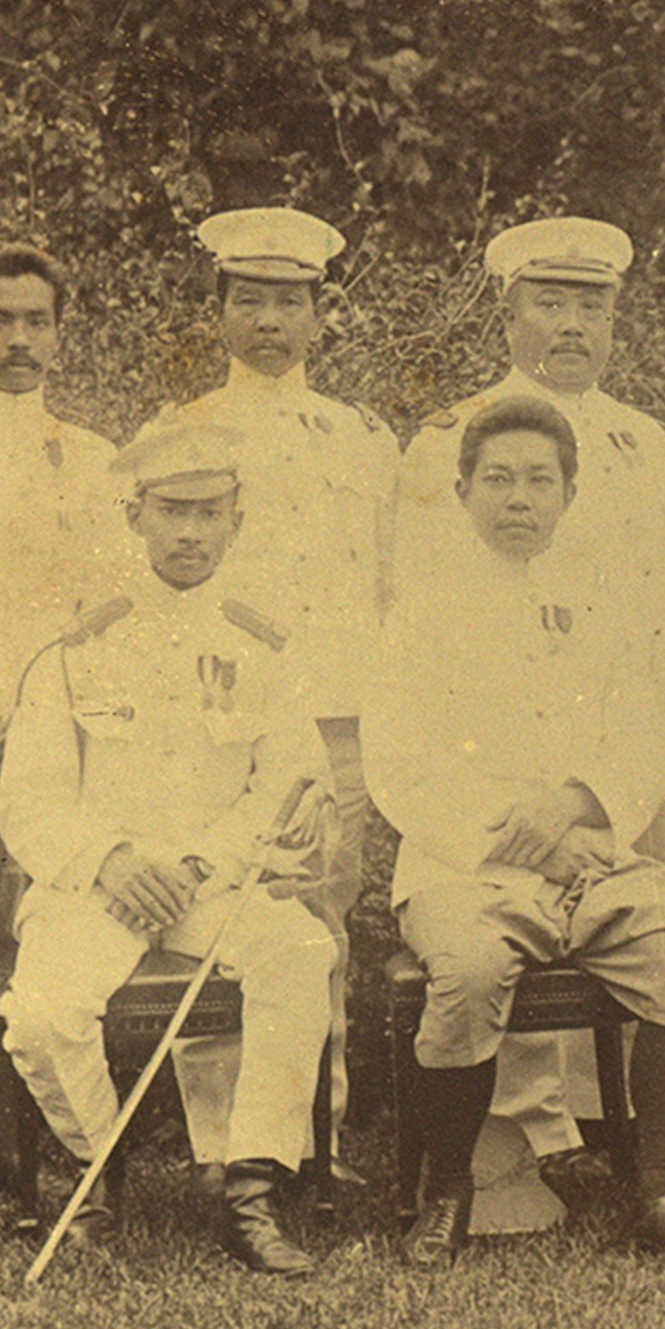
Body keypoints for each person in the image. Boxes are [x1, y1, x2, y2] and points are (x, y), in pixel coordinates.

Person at [359, 389, 665, 1269]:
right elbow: (400, 764)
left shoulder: (606, 606)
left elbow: (644, 737)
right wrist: (521, 836)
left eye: (538, 481)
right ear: (462, 492)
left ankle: (660, 1193)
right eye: (498, 480)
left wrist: (575, 803)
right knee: (469, 972)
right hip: (464, 865)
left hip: (593, 852)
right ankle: (450, 1193)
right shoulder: (421, 613)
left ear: (568, 493)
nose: (518, 499)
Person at [0, 421, 347, 1278]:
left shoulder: (263, 647)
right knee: (40, 1013)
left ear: (236, 521)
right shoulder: (77, 647)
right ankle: (97, 1172)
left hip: (213, 884)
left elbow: (287, 784)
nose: (191, 532)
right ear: (135, 516)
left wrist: (198, 867)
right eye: (172, 511)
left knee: (301, 952)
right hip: (98, 888)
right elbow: (26, 797)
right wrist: (112, 860)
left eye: (209, 513)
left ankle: (250, 1190)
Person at [132, 207, 399, 889]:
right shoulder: (177, 434)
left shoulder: (364, 439)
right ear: (218, 312)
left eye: (289, 303)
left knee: (324, 909)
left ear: (320, 314)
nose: (270, 322)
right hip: (219, 720)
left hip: (336, 717)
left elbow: (391, 586)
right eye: (248, 301)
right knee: (211, 903)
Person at [386, 219, 665, 628]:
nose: (573, 325)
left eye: (592, 308)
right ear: (509, 319)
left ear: (611, 320)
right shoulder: (449, 442)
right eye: (551, 305)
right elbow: (422, 608)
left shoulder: (650, 445)